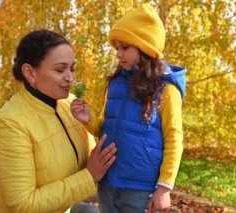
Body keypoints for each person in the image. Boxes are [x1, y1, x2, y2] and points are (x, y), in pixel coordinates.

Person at [71, 3, 186, 213]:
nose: (118, 54)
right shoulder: (115, 84)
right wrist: (87, 119)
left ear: (145, 48)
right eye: (117, 48)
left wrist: (164, 188)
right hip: (108, 183)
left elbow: (174, 139)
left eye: (125, 47)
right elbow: (105, 127)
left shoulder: (167, 90)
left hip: (140, 188)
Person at [0, 29, 117, 213]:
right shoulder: (10, 123)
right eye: (60, 69)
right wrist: (89, 176)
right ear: (30, 73)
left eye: (72, 69)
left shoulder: (70, 104)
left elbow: (92, 158)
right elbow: (23, 204)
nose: (70, 77)